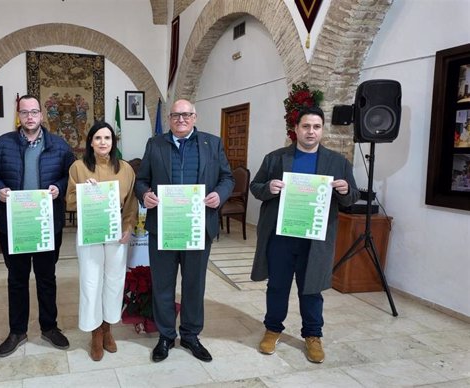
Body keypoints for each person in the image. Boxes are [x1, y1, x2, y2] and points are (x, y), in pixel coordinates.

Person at [250, 106, 359, 363]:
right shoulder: (275, 158)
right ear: (296, 129)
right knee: (277, 285)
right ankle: (273, 328)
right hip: (281, 236)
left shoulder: (338, 162)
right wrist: (269, 187)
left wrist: (345, 190)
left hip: (315, 238)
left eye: (316, 127)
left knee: (311, 289)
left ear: (322, 130)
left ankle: (313, 335)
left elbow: (351, 198)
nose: (311, 132)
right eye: (306, 126)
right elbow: (255, 187)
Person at [135, 99, 234, 363]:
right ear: (169, 118)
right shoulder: (155, 144)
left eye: (186, 114)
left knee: (194, 285)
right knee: (163, 285)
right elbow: (141, 179)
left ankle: (190, 335)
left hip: (198, 227)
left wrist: (219, 194)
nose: (181, 119)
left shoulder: (212, 143)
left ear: (195, 117)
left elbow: (228, 178)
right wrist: (145, 194)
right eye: (176, 115)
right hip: (164, 227)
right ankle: (166, 336)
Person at [0, 94, 76, 357]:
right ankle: (17, 331)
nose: (30, 117)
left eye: (34, 112)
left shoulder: (59, 146)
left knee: (47, 277)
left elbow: (69, 176)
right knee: (17, 278)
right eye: (24, 112)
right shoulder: (3, 144)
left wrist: (58, 188)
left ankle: (49, 327)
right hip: (15, 223)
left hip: (47, 222)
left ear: (42, 114)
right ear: (18, 115)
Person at [65, 121, 139, 361]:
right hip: (90, 229)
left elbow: (130, 203)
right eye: (98, 138)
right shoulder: (78, 167)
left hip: (117, 230)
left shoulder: (126, 169)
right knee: (90, 279)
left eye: (107, 138)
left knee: (115, 280)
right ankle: (95, 332)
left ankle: (108, 328)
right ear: (90, 142)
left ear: (113, 142)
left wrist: (128, 227)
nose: (103, 142)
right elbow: (69, 201)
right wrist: (85, 193)